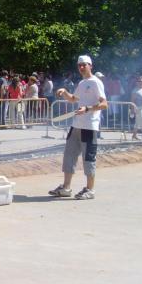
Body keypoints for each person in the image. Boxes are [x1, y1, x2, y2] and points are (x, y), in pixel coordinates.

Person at [49, 55, 107, 200]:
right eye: (79, 65)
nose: (81, 67)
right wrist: (64, 92)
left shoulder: (96, 82)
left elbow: (104, 104)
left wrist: (87, 109)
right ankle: (66, 188)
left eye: (84, 64)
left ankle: (90, 190)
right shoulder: (82, 83)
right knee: (69, 156)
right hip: (76, 126)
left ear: (90, 66)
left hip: (89, 127)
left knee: (89, 158)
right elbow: (73, 99)